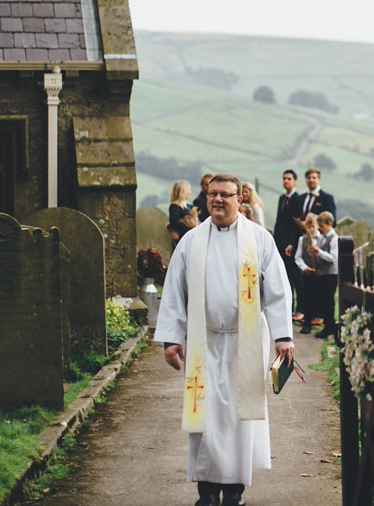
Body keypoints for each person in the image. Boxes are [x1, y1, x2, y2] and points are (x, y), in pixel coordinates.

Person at [154, 173, 294, 506]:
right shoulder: (192, 241)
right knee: (204, 415)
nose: (218, 199)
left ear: (240, 198)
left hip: (246, 343)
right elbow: (175, 290)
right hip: (205, 343)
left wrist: (283, 337)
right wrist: (172, 339)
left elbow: (277, 290)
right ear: (206, 198)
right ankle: (206, 492)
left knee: (238, 419)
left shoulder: (258, 239)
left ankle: (234, 492)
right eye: (213, 194)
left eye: (226, 194)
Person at [295, 211, 338, 339]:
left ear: (329, 224)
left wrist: (318, 251)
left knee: (328, 301)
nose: (320, 229)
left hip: (330, 274)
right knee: (323, 301)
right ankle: (327, 325)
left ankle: (330, 326)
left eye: (322, 226)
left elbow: (333, 258)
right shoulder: (317, 238)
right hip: (321, 274)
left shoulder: (334, 238)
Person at [272, 170, 304, 320]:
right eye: (284, 178)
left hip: (291, 244)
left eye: (289, 179)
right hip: (280, 242)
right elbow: (279, 221)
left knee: (295, 276)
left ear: (295, 181)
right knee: (284, 277)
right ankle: (288, 307)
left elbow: (297, 225)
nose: (286, 181)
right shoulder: (281, 199)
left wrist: (292, 243)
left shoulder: (298, 199)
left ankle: (300, 308)